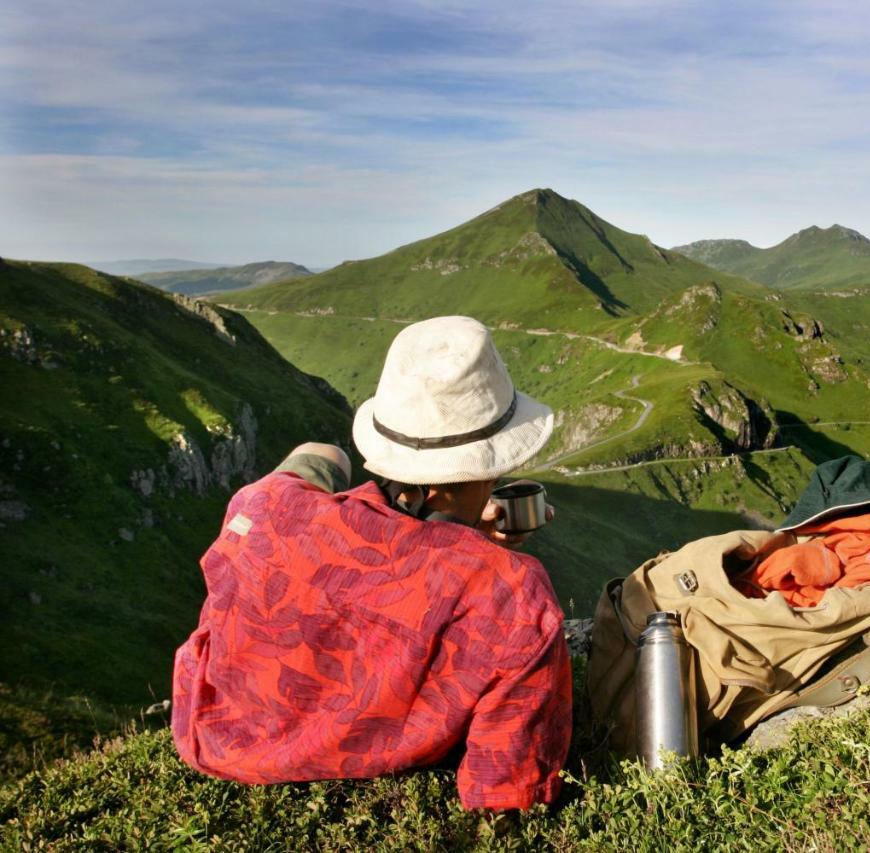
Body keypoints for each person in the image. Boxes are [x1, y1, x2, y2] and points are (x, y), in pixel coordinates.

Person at [171, 315, 571, 812]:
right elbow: (508, 786)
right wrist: (472, 554)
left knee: (322, 455)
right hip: (369, 753)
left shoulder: (260, 508)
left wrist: (454, 538)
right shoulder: (512, 591)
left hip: (213, 742)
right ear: (476, 471)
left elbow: (313, 481)